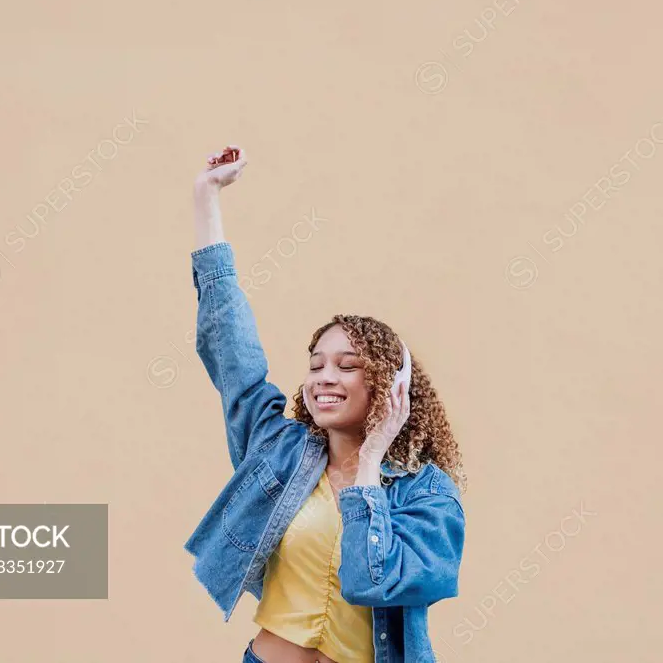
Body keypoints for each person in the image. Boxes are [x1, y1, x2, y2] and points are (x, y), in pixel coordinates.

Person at [185, 145, 468, 663]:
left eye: (347, 365)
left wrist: (370, 462)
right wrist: (207, 202)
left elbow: (371, 583)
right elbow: (232, 351)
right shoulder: (280, 450)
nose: (324, 378)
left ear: (390, 386)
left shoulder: (428, 495)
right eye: (315, 365)